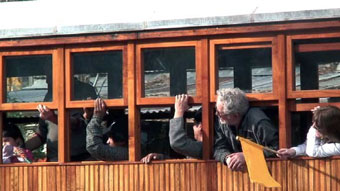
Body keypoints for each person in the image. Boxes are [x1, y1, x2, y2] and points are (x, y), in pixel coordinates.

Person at [25, 78, 97, 161]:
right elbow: (41, 135)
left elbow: (78, 123)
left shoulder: (84, 90)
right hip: (53, 160)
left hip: (81, 161)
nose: (46, 79)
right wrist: (19, 149)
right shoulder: (50, 95)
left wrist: (53, 118)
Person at [213, 88, 278, 171]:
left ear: (235, 115)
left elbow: (276, 149)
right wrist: (227, 158)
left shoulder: (259, 122)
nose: (216, 114)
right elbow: (218, 148)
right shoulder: (222, 121)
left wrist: (247, 156)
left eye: (220, 113)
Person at [169, 94, 203, 159]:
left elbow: (177, 142)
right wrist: (161, 158)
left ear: (200, 126)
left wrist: (179, 111)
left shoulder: (204, 148)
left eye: (194, 124)